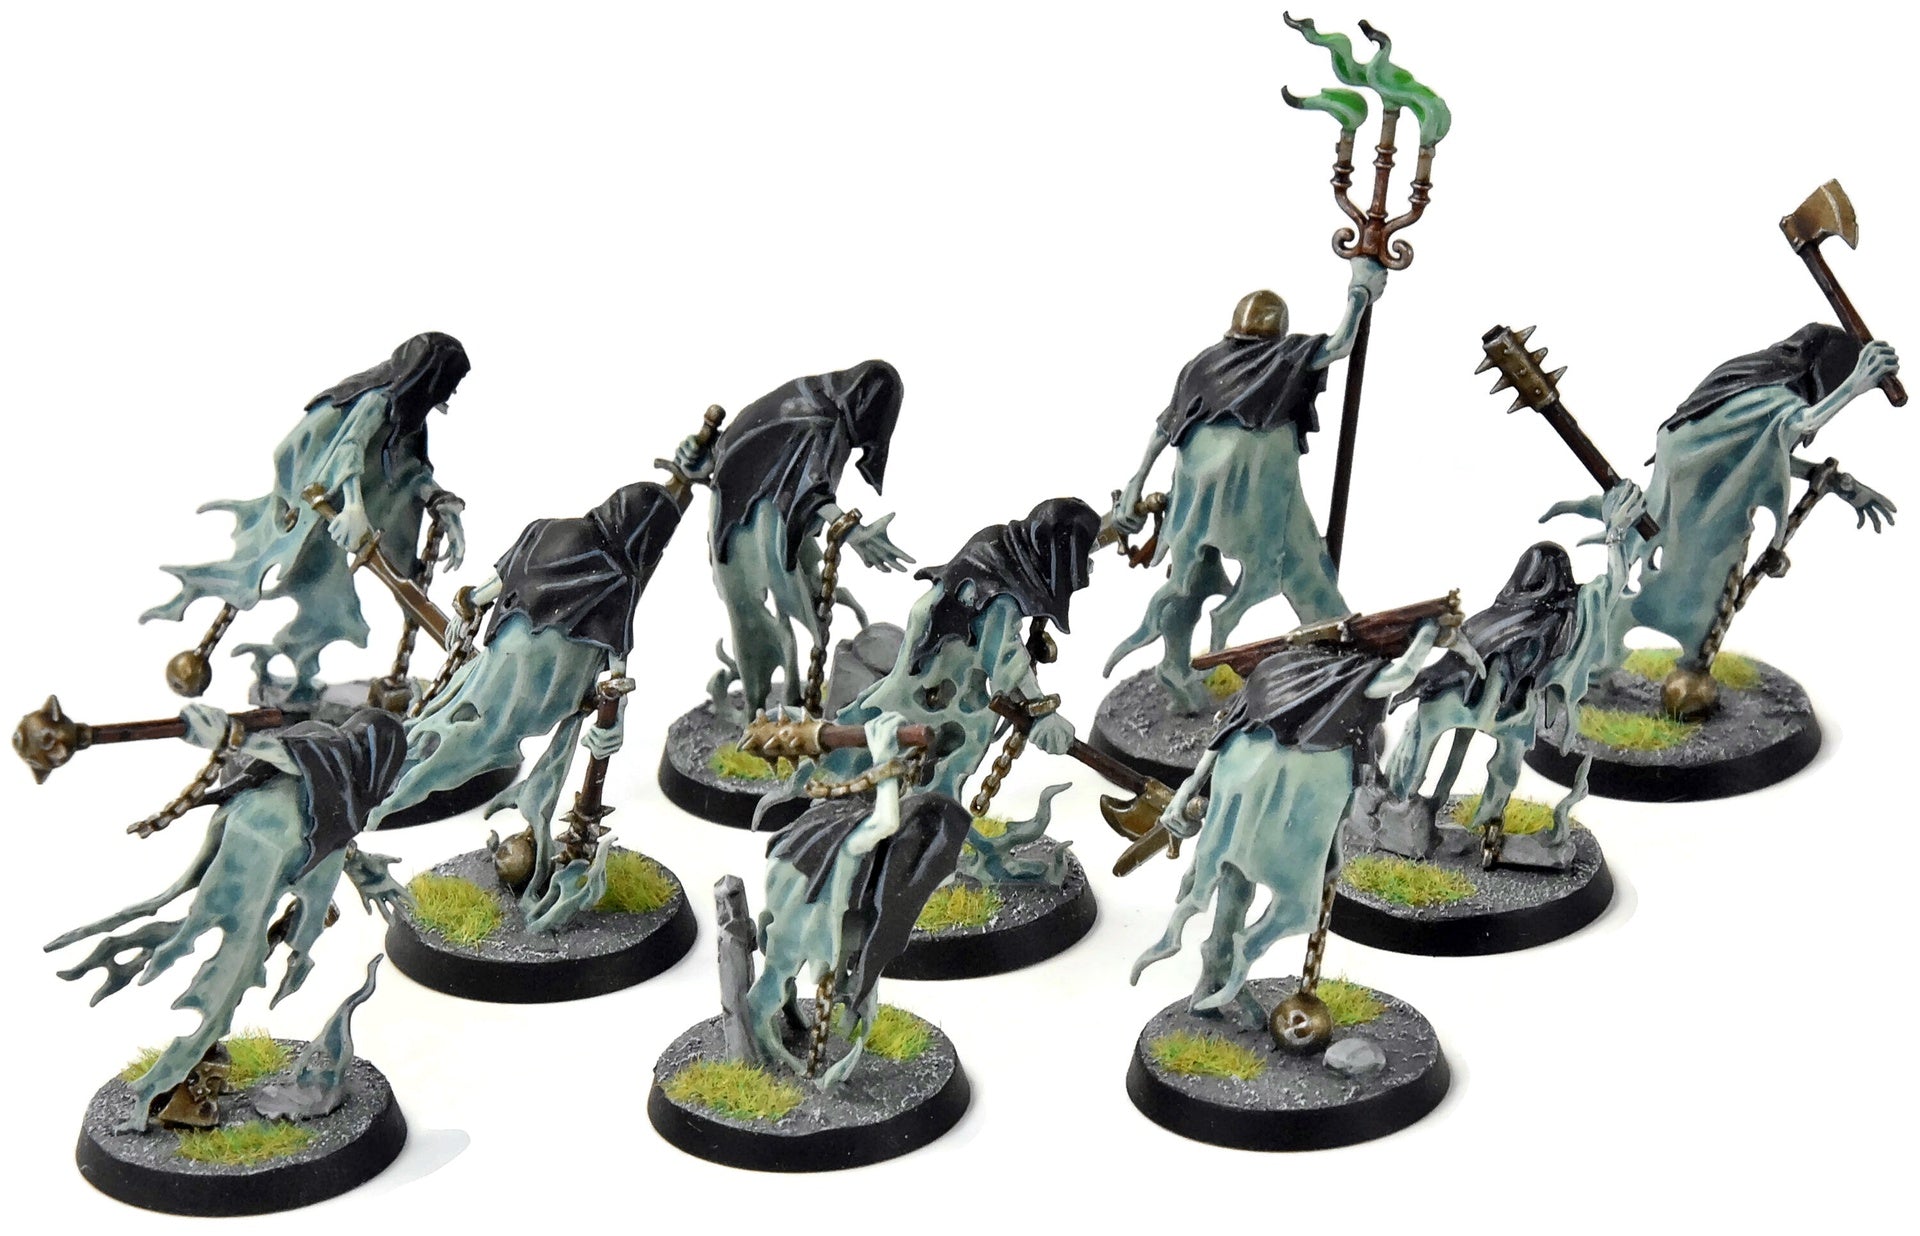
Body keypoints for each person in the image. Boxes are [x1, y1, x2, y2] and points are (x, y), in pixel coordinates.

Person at [47, 703, 407, 1131]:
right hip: (265, 840)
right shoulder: (331, 751)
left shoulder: (344, 784)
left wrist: (362, 873)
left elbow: (331, 827)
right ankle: (164, 1087)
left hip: (257, 831)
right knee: (231, 963)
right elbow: (284, 756)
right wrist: (229, 736)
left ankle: (177, 1075)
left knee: (215, 942)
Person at [368, 481, 683, 931]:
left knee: (447, 722)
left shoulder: (545, 529)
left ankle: (387, 785)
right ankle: (385, 800)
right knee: (476, 745)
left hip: (499, 659)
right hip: (542, 690)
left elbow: (489, 588)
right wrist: (615, 719)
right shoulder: (621, 579)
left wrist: (467, 608)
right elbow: (617, 662)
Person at [1104, 259, 1386, 714]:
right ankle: (1341, 661)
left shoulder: (1202, 363)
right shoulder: (1286, 356)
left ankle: (1177, 666)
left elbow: (1164, 428)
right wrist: (1360, 293)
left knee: (1188, 577)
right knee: (1303, 568)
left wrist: (1136, 482)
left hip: (1197, 492)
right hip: (1258, 487)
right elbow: (1339, 345)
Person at [143, 333, 471, 698]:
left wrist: (440, 501)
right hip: (314, 509)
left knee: (326, 595)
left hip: (338, 518)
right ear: (431, 377)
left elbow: (409, 472)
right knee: (261, 568)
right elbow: (348, 448)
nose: (454, 391)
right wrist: (353, 507)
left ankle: (300, 669)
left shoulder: (409, 423)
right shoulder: (378, 403)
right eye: (452, 381)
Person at [693, 361, 912, 722]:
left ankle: (777, 700)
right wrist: (853, 532)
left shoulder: (812, 392)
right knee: (754, 614)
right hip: (749, 527)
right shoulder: (820, 421)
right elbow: (809, 489)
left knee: (778, 607)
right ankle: (756, 712)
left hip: (755, 517)